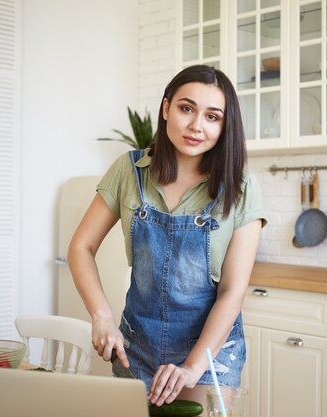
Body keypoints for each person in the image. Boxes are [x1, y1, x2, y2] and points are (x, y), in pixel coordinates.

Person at [67, 64, 266, 407]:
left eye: (212, 117)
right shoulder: (129, 171)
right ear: (166, 108)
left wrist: (191, 367)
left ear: (224, 125)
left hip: (209, 356)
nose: (196, 126)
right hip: (136, 348)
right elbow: (81, 247)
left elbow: (233, 292)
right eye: (186, 109)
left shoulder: (241, 187)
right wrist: (101, 316)